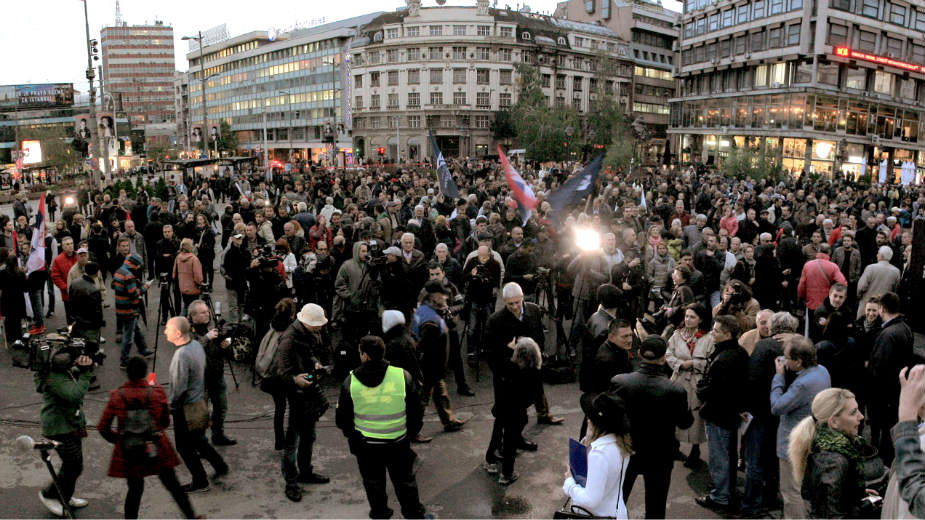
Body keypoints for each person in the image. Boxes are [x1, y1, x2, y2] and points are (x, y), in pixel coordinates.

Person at [335, 335, 428, 518]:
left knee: (374, 484)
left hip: (367, 447)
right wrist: (410, 433)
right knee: (405, 482)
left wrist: (354, 437)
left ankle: (380, 513)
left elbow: (342, 420)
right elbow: (417, 410)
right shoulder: (402, 376)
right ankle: (413, 513)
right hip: (398, 442)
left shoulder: (350, 382)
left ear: (364, 355)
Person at [96, 356, 196, 519]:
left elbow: (103, 428)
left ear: (127, 373)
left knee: (135, 490)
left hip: (130, 450)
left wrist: (120, 440)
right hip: (156, 446)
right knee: (173, 485)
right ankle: (191, 516)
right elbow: (164, 421)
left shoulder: (117, 395)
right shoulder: (156, 392)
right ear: (145, 372)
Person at [610, 335, 693, 519]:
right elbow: (685, 422)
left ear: (639, 354)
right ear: (663, 358)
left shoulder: (620, 382)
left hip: (627, 451)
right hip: (660, 455)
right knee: (656, 508)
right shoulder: (675, 390)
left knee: (615, 502)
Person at [485, 282, 564, 431]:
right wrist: (506, 354)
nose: (515, 307)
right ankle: (515, 437)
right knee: (515, 409)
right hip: (511, 371)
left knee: (537, 389)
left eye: (517, 302)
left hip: (532, 364)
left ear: (522, 298)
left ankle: (544, 414)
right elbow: (490, 352)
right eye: (510, 304)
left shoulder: (533, 310)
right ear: (504, 301)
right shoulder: (495, 321)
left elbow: (539, 333)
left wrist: (539, 354)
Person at [788, 387, 876, 518]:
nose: (861, 416)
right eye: (853, 413)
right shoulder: (832, 461)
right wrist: (865, 507)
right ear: (834, 421)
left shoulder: (832, 448)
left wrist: (855, 493)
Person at [771, 335, 833, 518]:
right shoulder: (822, 371)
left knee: (791, 491)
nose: (784, 361)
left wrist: (778, 377)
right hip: (813, 438)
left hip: (793, 443)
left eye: (787, 358)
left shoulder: (802, 385)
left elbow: (777, 407)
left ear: (798, 362)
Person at [164, 316, 228, 493]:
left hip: (185, 408)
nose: (165, 332)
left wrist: (171, 406)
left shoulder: (181, 355)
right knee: (198, 440)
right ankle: (219, 465)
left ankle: (200, 480)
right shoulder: (195, 346)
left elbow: (179, 387)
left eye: (168, 329)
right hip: (198, 401)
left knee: (184, 446)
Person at [277, 303, 331, 502]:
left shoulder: (305, 334)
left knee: (309, 436)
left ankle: (305, 472)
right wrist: (294, 380)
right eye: (317, 325)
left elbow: (309, 353)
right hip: (297, 395)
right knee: (293, 441)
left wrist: (314, 362)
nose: (320, 328)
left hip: (306, 393)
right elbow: (281, 373)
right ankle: (291, 482)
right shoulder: (289, 340)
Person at [696, 314, 749, 513]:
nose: (712, 333)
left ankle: (720, 496)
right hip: (730, 415)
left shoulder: (723, 359)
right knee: (728, 454)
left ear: (727, 334)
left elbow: (711, 390)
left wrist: (701, 389)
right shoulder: (741, 353)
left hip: (718, 415)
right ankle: (726, 490)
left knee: (719, 458)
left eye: (716, 330)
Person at [34, 348, 95, 517]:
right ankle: (49, 495)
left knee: (74, 465)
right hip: (59, 428)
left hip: (69, 424)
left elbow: (72, 373)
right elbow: (75, 394)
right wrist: (85, 373)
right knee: (73, 465)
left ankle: (64, 496)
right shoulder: (55, 378)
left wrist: (83, 367)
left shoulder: (58, 371)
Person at [483, 337, 544, 485]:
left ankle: (490, 461)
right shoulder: (533, 373)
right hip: (517, 412)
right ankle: (506, 473)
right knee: (510, 443)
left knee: (497, 432)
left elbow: (499, 363)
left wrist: (508, 349)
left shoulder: (508, 366)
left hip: (503, 406)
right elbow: (536, 395)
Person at [562, 393, 633, 519]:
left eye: (591, 417)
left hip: (596, 515)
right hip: (614, 512)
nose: (588, 420)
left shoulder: (599, 454)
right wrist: (588, 439)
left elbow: (591, 500)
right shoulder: (621, 442)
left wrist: (569, 483)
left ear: (598, 424)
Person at [411, 280, 468, 439]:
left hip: (435, 364)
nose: (444, 297)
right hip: (429, 365)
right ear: (433, 297)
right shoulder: (429, 318)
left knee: (440, 393)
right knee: (423, 398)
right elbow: (423, 343)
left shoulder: (433, 311)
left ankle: (449, 421)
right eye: (440, 295)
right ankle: (413, 430)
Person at [868, 291, 915, 466]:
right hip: (895, 389)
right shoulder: (904, 328)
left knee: (883, 429)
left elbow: (879, 367)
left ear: (882, 309)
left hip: (883, 392)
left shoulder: (887, 334)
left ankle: (882, 463)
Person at [665, 303, 713, 468]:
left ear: (700, 319)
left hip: (697, 383)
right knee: (674, 414)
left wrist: (695, 363)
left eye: (692, 317)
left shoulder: (708, 338)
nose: (688, 320)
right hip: (678, 380)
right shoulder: (677, 335)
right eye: (686, 316)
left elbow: (711, 360)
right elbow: (668, 354)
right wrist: (680, 364)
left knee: (696, 417)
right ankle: (674, 447)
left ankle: (695, 450)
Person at [188, 300, 235, 446]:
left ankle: (218, 435)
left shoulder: (210, 327)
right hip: (200, 379)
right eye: (203, 312)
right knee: (201, 413)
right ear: (193, 316)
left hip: (216, 374)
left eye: (207, 311)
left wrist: (224, 346)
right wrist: (207, 338)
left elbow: (216, 352)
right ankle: (199, 443)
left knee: (221, 407)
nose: (207, 314)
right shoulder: (188, 331)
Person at [68, 261, 104, 390]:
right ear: (96, 273)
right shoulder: (94, 290)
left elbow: (70, 301)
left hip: (77, 321)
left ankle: (76, 371)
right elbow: (97, 311)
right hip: (90, 324)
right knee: (91, 350)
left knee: (78, 347)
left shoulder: (75, 283)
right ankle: (89, 376)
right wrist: (99, 323)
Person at [112, 253, 153, 367]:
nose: (139, 267)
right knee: (129, 337)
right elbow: (134, 294)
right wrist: (145, 287)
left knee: (136, 329)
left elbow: (113, 285)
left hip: (120, 307)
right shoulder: (129, 276)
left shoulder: (119, 271)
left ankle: (143, 349)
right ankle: (124, 360)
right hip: (129, 309)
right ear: (134, 265)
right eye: (138, 265)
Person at [856, 245, 901, 320]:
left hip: (867, 304)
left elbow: (861, 287)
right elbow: (895, 290)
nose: (877, 255)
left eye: (878, 253)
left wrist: (859, 297)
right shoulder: (896, 271)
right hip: (883, 307)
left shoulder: (870, 268)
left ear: (881, 255)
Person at [50, 236, 78, 324]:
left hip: (82, 293)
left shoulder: (79, 256)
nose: (70, 246)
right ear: (63, 247)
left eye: (71, 243)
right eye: (67, 244)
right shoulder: (58, 260)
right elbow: (55, 277)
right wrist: (66, 288)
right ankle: (73, 335)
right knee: (71, 319)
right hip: (68, 294)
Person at [173, 238, 203, 316]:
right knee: (193, 308)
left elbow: (174, 274)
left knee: (186, 305)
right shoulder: (194, 259)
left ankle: (183, 322)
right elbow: (198, 276)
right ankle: (190, 324)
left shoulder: (178, 257)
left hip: (182, 287)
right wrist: (200, 284)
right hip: (193, 288)